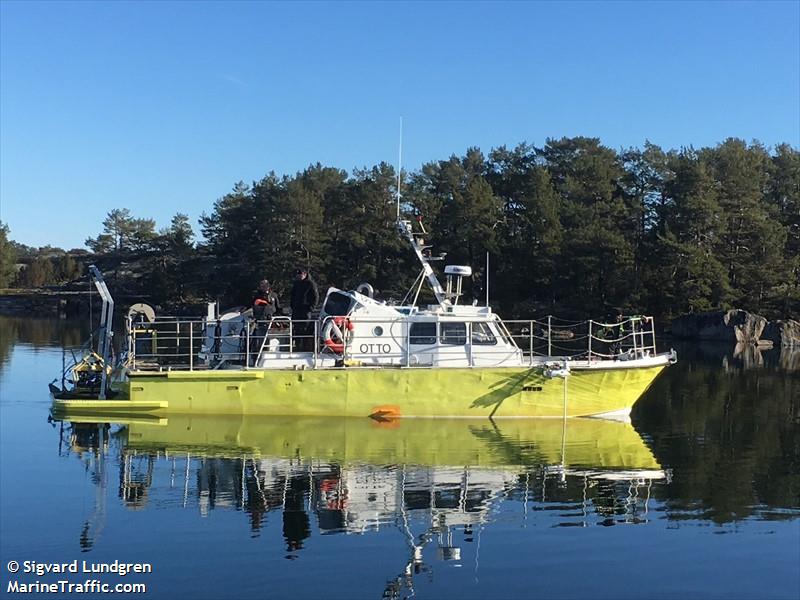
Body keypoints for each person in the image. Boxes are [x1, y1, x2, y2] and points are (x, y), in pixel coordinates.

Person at [290, 268, 319, 351]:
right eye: (298, 274)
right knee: (296, 328)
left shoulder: (311, 284)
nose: (299, 276)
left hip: (306, 310)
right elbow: (292, 296)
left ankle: (305, 346)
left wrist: (311, 308)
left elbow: (315, 296)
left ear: (305, 274)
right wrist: (293, 306)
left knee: (305, 328)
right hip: (296, 310)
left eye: (301, 274)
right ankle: (297, 345)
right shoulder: (296, 284)